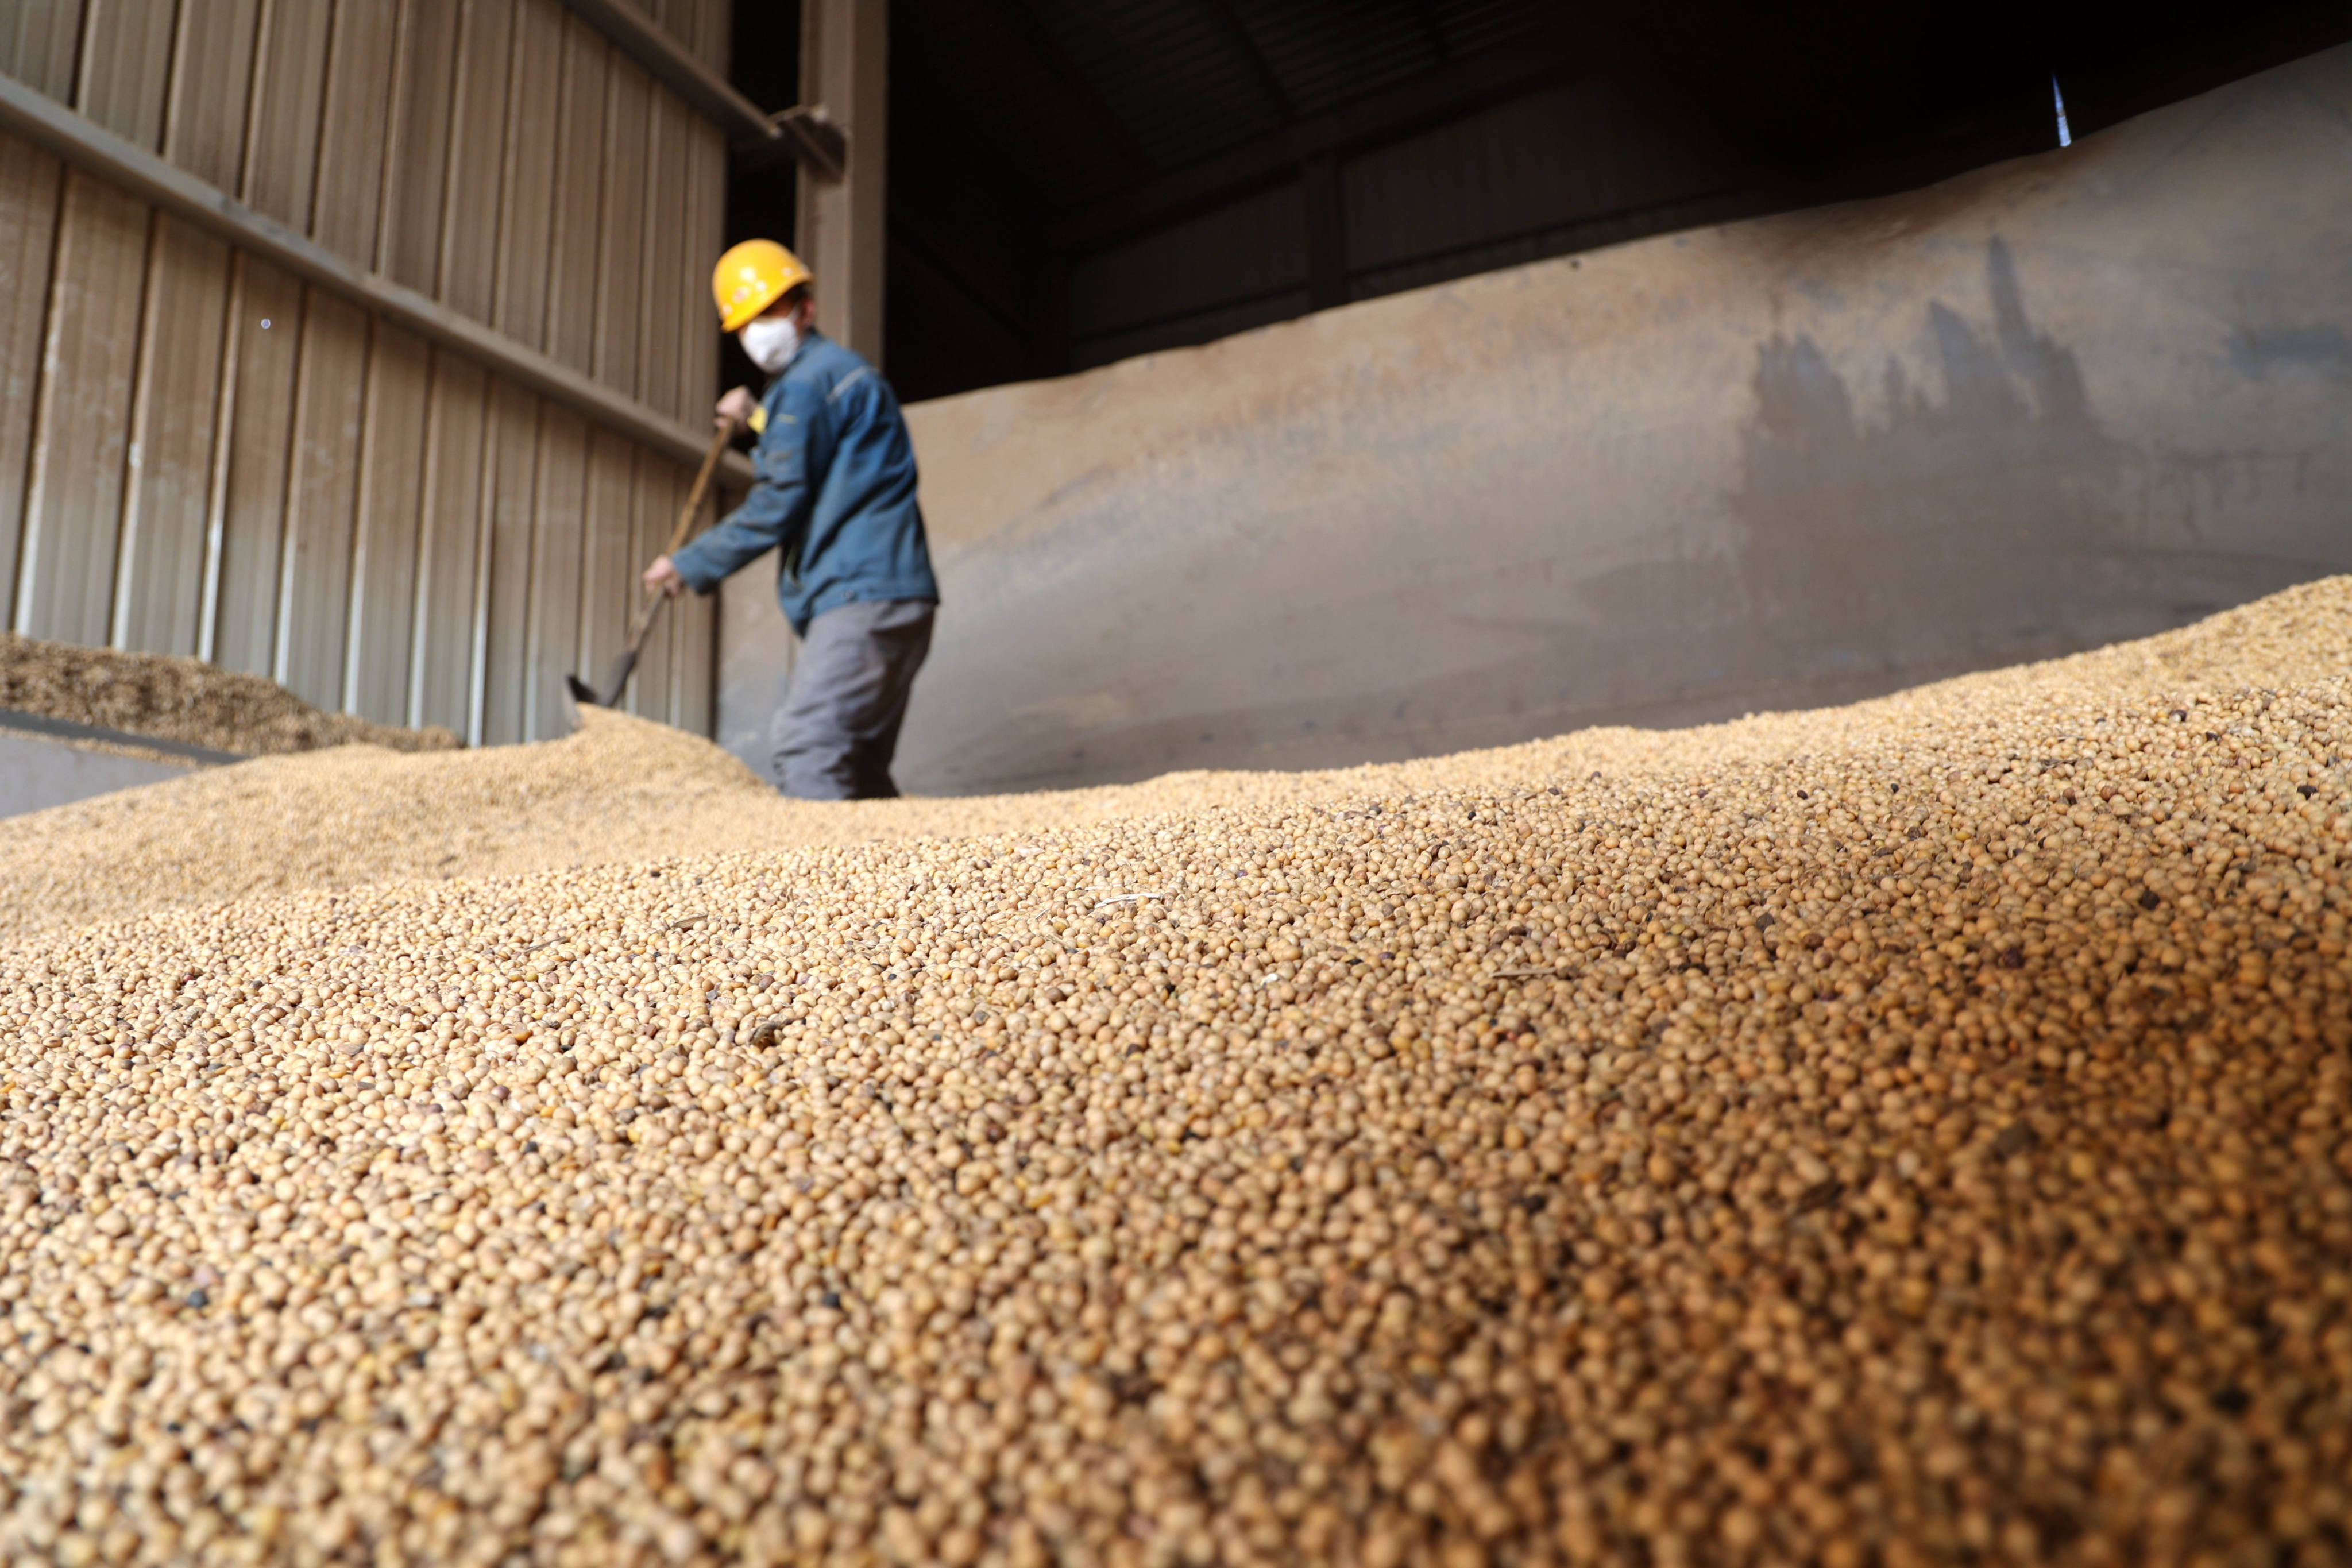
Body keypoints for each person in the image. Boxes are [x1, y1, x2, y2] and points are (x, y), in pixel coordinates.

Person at [643, 240, 939, 800]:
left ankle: (825, 891)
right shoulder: (834, 377)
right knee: (858, 770)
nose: (759, 330)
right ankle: (899, 887)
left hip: (859, 597)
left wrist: (688, 562)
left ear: (807, 308)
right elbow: (827, 451)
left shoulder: (805, 385)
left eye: (770, 312)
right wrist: (758, 417)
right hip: (898, 594)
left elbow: (779, 501)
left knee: (809, 746)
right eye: (748, 320)